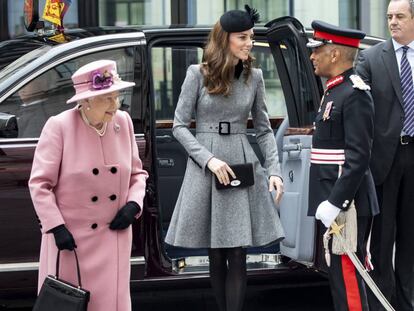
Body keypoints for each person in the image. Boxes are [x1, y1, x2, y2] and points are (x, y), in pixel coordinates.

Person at [164, 5, 285, 311]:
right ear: (225, 39)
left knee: (237, 251)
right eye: (242, 37)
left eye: (251, 37)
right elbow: (179, 126)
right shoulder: (197, 74)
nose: (248, 43)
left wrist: (274, 171)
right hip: (208, 165)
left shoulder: (254, 77)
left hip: (241, 160)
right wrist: (209, 160)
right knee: (216, 252)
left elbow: (263, 130)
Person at [29, 60, 148, 311]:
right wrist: (56, 227)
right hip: (72, 241)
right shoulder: (59, 126)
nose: (114, 105)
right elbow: (40, 184)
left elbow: (138, 174)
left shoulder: (123, 122)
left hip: (113, 236)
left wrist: (133, 204)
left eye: (116, 97)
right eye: (107, 99)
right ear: (85, 101)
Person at [307, 21, 379, 310]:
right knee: (338, 276)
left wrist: (336, 202)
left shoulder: (354, 94)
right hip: (335, 201)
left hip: (349, 204)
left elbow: (358, 156)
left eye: (317, 50)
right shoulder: (333, 91)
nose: (312, 56)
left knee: (348, 277)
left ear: (334, 54)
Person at [356, 1, 414, 310]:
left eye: (400, 16)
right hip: (384, 160)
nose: (392, 22)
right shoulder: (370, 58)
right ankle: (382, 304)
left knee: (410, 241)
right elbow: (359, 111)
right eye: (389, 16)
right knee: (382, 240)